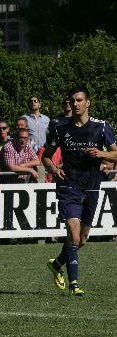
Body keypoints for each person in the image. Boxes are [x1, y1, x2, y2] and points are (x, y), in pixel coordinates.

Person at [43, 86, 117, 296]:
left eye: (79, 100)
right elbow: (46, 156)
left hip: (92, 186)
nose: (75, 104)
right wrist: (54, 169)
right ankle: (74, 284)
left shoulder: (102, 127)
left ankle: (57, 264)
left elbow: (116, 154)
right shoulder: (59, 127)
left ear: (88, 103)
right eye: (72, 100)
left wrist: (101, 153)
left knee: (81, 240)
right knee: (73, 235)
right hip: (69, 186)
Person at [41, 95, 72, 183]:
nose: (67, 104)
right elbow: (45, 157)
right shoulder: (55, 122)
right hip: (63, 171)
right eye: (65, 102)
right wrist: (55, 170)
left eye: (69, 102)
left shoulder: (87, 123)